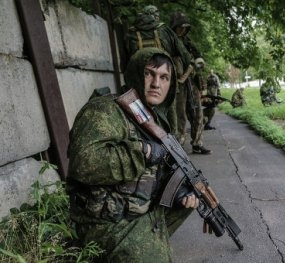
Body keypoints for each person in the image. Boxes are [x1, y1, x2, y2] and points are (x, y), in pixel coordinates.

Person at [67, 48, 199, 262]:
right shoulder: (105, 110)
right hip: (105, 222)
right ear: (137, 73)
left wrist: (180, 191)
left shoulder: (157, 119)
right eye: (149, 74)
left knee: (187, 203)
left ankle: (150, 241)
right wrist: (144, 152)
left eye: (164, 77)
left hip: (137, 208)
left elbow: (161, 170)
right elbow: (83, 162)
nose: (156, 84)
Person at [125, 5, 194, 136]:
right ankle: (172, 144)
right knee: (170, 116)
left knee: (141, 119)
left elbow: (126, 64)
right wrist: (180, 77)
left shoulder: (130, 33)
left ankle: (145, 145)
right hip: (164, 82)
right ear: (156, 16)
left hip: (138, 84)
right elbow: (186, 57)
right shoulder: (165, 30)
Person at [170, 11, 211, 154]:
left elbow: (199, 59)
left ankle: (197, 143)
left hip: (190, 82)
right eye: (180, 27)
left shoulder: (188, 42)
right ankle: (178, 145)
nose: (182, 30)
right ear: (174, 27)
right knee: (179, 115)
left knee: (197, 113)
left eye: (185, 27)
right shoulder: (168, 41)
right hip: (177, 84)